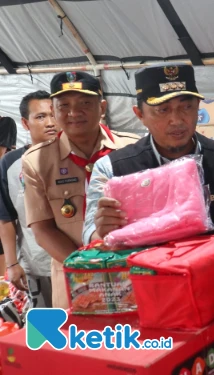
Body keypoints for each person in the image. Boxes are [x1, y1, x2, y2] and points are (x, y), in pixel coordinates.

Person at [84, 63, 214, 247]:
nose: (177, 120)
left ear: (198, 107)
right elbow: (90, 234)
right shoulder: (112, 168)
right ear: (139, 114)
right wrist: (101, 232)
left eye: (186, 107)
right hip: (145, 274)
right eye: (163, 110)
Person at [22, 72, 139, 309]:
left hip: (133, 271)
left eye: (85, 103)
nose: (74, 113)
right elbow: (42, 229)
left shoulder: (133, 148)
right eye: (64, 105)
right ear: (54, 112)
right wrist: (87, 268)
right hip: (73, 276)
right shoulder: (37, 161)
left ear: (102, 107)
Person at [0, 91, 58, 307]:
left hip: (78, 263)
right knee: (43, 333)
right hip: (37, 265)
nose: (50, 123)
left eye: (54, 114)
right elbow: (6, 217)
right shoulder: (11, 163)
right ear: (25, 123)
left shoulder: (75, 156)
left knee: (83, 330)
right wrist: (12, 263)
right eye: (41, 117)